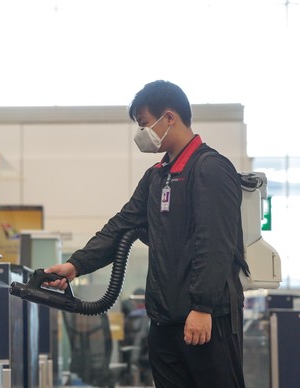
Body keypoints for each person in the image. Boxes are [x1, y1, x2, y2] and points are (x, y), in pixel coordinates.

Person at [45, 80, 248, 387]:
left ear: (169, 117)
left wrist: (202, 307)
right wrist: (76, 265)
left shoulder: (210, 168)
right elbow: (122, 225)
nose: (141, 133)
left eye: (144, 123)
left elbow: (216, 243)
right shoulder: (156, 176)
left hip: (206, 320)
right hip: (165, 322)